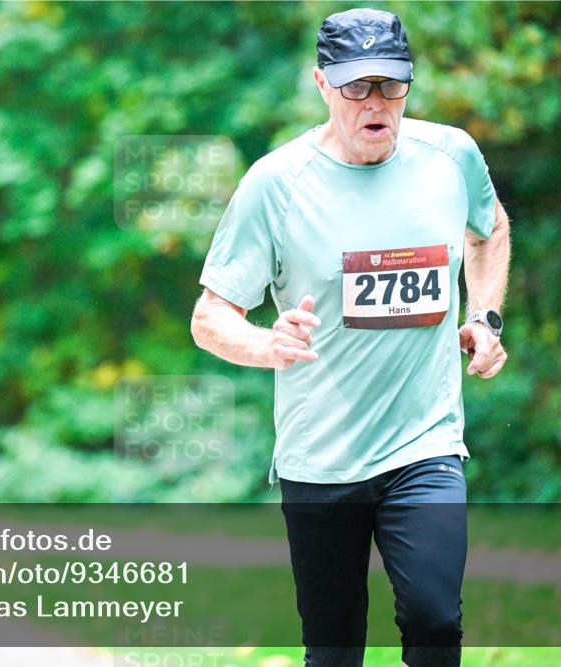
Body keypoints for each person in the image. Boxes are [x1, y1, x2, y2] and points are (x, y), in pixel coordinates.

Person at [190, 8, 510, 667]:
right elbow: (210, 316)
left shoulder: (449, 157)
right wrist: (265, 344)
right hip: (321, 461)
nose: (375, 102)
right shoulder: (276, 185)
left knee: (435, 618)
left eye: (390, 86)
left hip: (424, 445)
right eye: (356, 86)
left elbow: (491, 229)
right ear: (321, 83)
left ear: (409, 85)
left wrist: (485, 317)